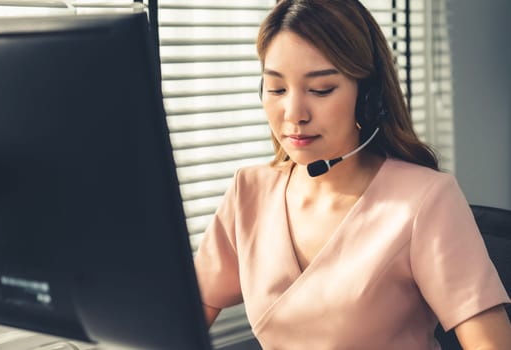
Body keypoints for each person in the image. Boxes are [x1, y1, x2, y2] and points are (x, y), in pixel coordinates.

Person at [193, 0, 511, 349]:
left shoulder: (425, 200)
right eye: (277, 89)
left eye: (321, 89)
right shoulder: (248, 193)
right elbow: (180, 320)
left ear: (368, 96)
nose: (294, 113)